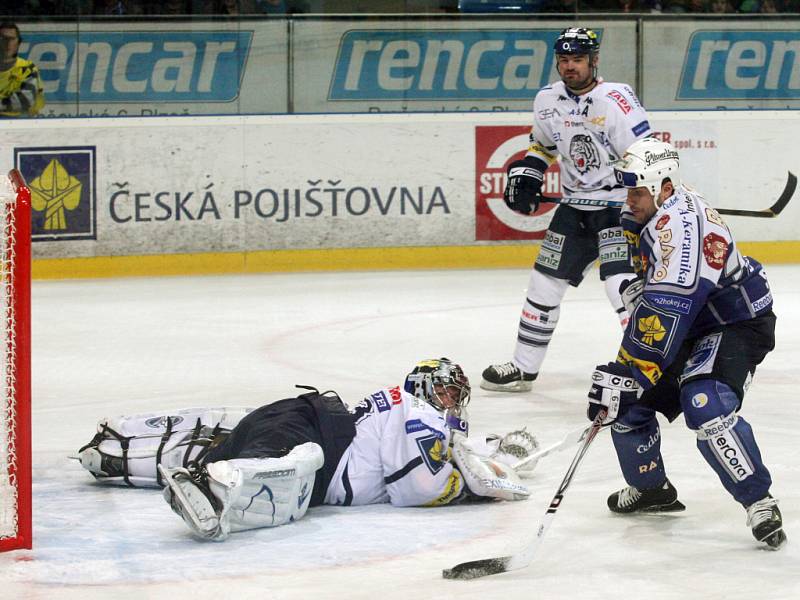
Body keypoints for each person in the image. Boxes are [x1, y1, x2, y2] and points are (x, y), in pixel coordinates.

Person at [77, 359, 539, 541]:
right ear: (425, 391)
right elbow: (417, 488)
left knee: (214, 449)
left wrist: (501, 452)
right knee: (284, 473)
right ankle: (217, 486)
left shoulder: (410, 416)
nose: (452, 403)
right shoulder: (417, 410)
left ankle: (117, 457)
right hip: (313, 441)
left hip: (299, 418)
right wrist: (474, 489)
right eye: (446, 394)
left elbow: (456, 452)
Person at [586, 137, 786, 549]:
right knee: (629, 405)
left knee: (704, 401)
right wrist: (627, 375)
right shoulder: (660, 202)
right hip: (690, 318)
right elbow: (645, 288)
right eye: (629, 190)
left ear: (664, 187)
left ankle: (758, 501)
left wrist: (629, 370)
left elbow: (666, 313)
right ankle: (653, 490)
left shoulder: (684, 236)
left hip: (734, 322)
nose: (630, 201)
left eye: (638, 191)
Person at [481, 27, 652, 393]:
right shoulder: (547, 100)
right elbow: (542, 146)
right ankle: (523, 368)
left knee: (621, 287)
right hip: (574, 208)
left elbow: (645, 154)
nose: (569, 67)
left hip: (617, 208)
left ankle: (650, 366)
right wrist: (528, 175)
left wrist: (645, 202)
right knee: (543, 284)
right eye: (563, 60)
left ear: (594, 61)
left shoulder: (616, 100)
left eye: (576, 60)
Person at [0, 21, 44, 118]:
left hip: (19, 125)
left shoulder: (28, 68)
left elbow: (25, 100)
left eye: (12, 39)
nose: (8, 43)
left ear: (19, 42)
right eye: (3, 38)